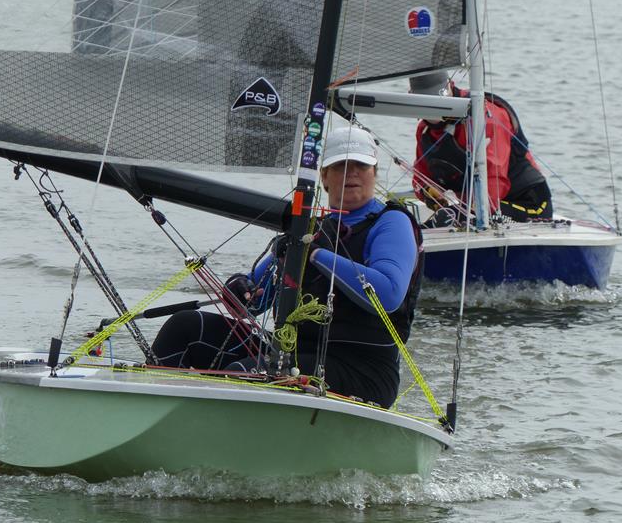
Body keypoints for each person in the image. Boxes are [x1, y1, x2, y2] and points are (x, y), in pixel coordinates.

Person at [151, 126, 422, 408]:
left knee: (247, 373)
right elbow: (252, 303)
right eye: (341, 165)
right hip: (291, 354)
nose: (352, 172)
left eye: (361, 165)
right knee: (184, 326)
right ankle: (151, 416)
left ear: (374, 173)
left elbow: (389, 294)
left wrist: (315, 255)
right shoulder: (311, 230)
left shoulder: (391, 223)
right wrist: (240, 288)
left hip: (362, 371)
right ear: (325, 177)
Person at [409, 71, 553, 227]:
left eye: (438, 98)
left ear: (450, 86)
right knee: (415, 221)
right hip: (474, 205)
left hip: (529, 205)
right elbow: (420, 178)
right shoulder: (424, 131)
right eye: (426, 101)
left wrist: (464, 209)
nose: (434, 107)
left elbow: (494, 183)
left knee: (453, 216)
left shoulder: (485, 118)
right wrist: (429, 193)